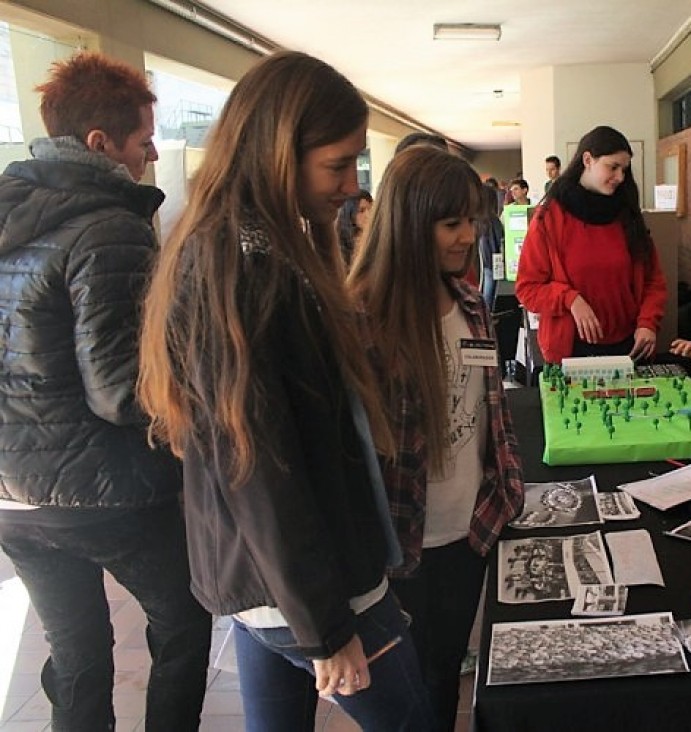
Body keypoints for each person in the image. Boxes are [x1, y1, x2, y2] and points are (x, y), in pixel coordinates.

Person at [137, 51, 435, 732]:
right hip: (309, 586)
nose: (352, 185)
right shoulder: (237, 270)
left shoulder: (250, 249)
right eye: (338, 165)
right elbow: (258, 468)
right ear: (277, 152)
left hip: (273, 582)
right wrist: (326, 628)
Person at [0, 52, 212, 731]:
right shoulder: (110, 227)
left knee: (78, 656)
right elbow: (121, 391)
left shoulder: (9, 218)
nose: (152, 155)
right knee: (183, 623)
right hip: (104, 490)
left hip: (13, 493)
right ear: (100, 145)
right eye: (144, 141)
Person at [347, 143, 524, 732]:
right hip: (397, 549)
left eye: (471, 220)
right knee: (403, 695)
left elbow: (491, 412)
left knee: (444, 674)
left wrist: (507, 490)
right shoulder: (361, 320)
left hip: (467, 533)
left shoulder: (473, 304)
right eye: (451, 223)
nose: (467, 236)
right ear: (409, 222)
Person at [515, 125, 667, 365]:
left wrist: (648, 323)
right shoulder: (549, 219)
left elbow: (653, 281)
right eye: (613, 167)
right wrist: (569, 299)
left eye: (624, 169)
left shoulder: (627, 214)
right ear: (587, 160)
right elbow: (527, 289)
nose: (620, 177)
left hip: (630, 347)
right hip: (571, 350)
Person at [337, 189, 373, 262]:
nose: (368, 215)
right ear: (350, 213)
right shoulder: (341, 244)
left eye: (370, 209)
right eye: (361, 211)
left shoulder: (378, 235)